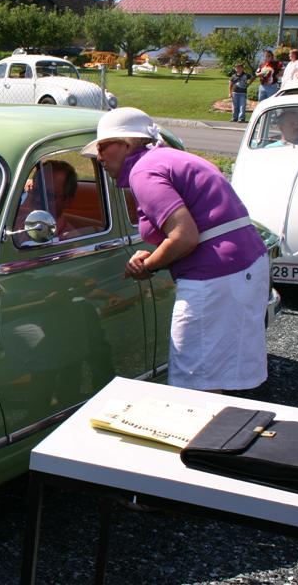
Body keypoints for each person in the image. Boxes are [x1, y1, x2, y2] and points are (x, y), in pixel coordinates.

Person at [82, 107, 268, 392]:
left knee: (193, 376)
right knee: (213, 372)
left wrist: (149, 265)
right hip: (239, 265)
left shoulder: (143, 172)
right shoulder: (165, 158)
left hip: (215, 273)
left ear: (127, 144)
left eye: (104, 146)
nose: (99, 156)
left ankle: (202, 433)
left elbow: (183, 236)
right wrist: (155, 256)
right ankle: (217, 430)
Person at [15, 160, 79, 242]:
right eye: (36, 190)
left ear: (67, 201)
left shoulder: (69, 241)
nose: (38, 199)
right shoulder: (16, 224)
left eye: (49, 195)